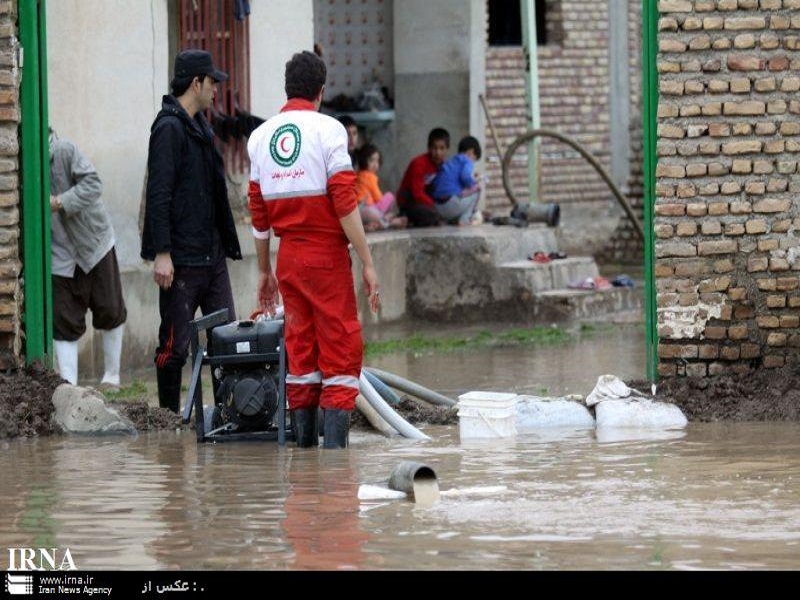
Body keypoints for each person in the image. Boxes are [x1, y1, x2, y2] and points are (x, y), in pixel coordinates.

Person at [247, 50, 380, 449]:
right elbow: (344, 202)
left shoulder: (260, 137)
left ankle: (304, 462)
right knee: (341, 352)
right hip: (326, 259)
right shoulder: (330, 130)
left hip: (288, 260)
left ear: (287, 88)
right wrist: (368, 262)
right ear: (321, 91)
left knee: (300, 353)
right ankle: (335, 464)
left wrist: (264, 271)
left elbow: (258, 215)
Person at [141, 49, 242, 413]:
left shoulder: (201, 125)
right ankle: (168, 420)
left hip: (211, 257)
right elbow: (159, 193)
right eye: (212, 82)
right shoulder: (168, 127)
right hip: (180, 261)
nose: (216, 89)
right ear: (196, 83)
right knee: (174, 348)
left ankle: (229, 417)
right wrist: (162, 252)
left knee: (227, 340)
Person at [49, 129, 127, 388]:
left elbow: (94, 183)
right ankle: (68, 382)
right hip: (58, 253)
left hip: (94, 242)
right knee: (63, 317)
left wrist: (60, 201)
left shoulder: (64, 150)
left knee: (110, 307)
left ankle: (112, 376)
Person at [396, 127, 450, 227]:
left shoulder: (444, 167)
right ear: (429, 148)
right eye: (435, 148)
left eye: (442, 148)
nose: (438, 153)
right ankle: (405, 217)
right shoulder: (419, 163)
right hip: (409, 201)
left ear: (447, 149)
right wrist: (434, 206)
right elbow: (417, 193)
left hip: (427, 201)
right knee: (433, 215)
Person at [429, 135, 483, 226]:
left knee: (462, 192)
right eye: (474, 159)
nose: (472, 162)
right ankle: (465, 220)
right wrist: (475, 181)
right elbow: (465, 178)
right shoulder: (466, 160)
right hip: (450, 205)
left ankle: (449, 220)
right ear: (471, 152)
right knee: (477, 190)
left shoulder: (452, 161)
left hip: (436, 207)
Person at [355, 143, 407, 231]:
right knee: (389, 196)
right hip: (369, 210)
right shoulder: (370, 177)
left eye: (377, 161)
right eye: (371, 160)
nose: (375, 164)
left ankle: (372, 225)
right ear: (363, 160)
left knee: (375, 218)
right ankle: (390, 221)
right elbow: (378, 197)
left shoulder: (357, 174)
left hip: (357, 212)